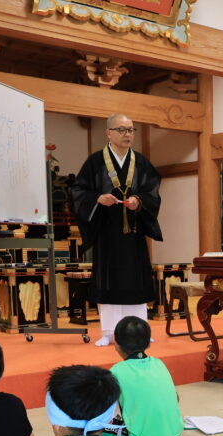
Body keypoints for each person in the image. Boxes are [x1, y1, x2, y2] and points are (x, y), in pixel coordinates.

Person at [71, 113, 163, 348]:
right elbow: (78, 191)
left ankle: (140, 330)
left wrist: (139, 201)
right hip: (107, 232)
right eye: (122, 130)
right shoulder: (94, 162)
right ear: (108, 133)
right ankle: (109, 331)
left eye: (131, 130)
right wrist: (97, 199)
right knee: (109, 280)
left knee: (135, 279)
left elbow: (152, 190)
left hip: (133, 232)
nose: (128, 134)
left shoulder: (141, 162)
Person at [109, 316, 183, 436]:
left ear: (116, 342)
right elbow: (176, 398)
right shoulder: (159, 363)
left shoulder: (116, 371)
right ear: (148, 343)